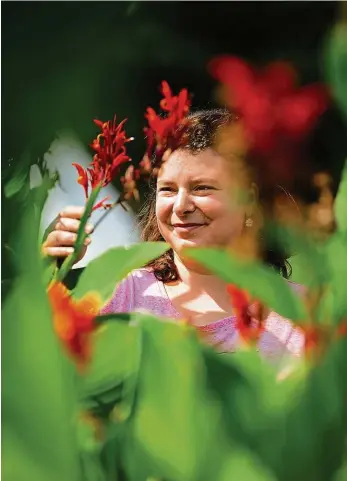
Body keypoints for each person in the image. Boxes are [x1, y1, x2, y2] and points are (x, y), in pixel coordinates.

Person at [43, 109, 305, 366]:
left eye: (202, 187)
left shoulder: (302, 315)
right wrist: (47, 272)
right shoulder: (117, 294)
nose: (180, 206)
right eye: (167, 189)